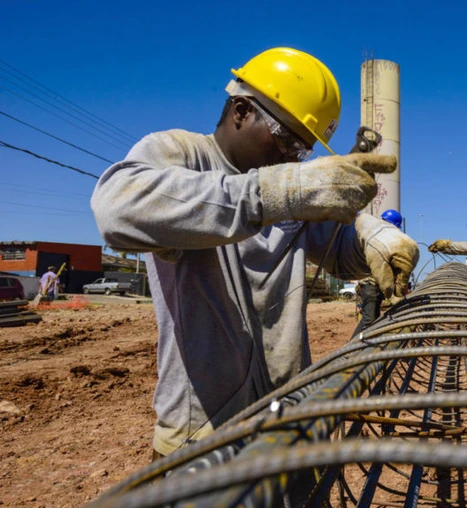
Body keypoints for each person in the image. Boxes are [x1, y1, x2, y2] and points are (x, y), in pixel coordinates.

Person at [91, 47, 419, 458]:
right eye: (286, 140)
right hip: (203, 435)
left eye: (302, 152)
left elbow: (338, 248)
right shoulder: (181, 154)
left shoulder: (286, 195)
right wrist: (276, 192)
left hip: (285, 416)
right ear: (241, 111)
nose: (290, 157)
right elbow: (117, 209)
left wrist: (374, 237)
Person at [350, 209, 404, 337]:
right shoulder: (379, 239)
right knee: (369, 320)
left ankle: (361, 347)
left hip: (372, 284)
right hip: (370, 284)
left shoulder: (376, 235)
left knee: (373, 317)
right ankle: (351, 349)